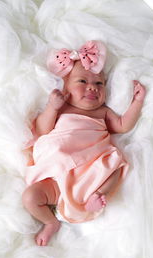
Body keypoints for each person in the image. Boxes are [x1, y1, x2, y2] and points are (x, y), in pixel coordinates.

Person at [22, 41, 146, 246]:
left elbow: (123, 126)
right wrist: (52, 108)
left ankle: (98, 195)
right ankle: (50, 222)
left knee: (115, 165)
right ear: (65, 87)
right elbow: (43, 130)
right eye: (82, 81)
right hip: (56, 175)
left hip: (88, 172)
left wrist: (137, 102)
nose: (92, 87)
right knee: (30, 198)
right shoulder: (62, 108)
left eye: (99, 83)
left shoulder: (102, 112)